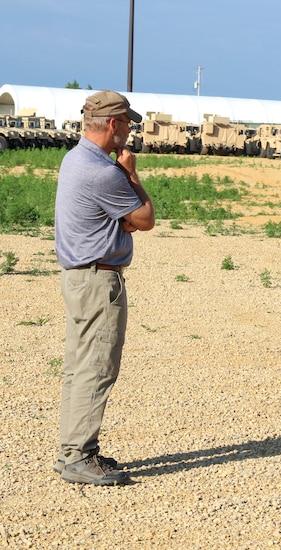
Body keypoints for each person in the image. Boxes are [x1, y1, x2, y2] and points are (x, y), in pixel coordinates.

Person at [53, 90, 155, 485]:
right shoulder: (104, 171)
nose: (129, 132)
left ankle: (72, 452)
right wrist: (131, 174)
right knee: (97, 367)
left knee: (79, 367)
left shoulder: (74, 159)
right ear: (113, 124)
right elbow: (144, 218)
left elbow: (123, 219)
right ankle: (79, 457)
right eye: (127, 124)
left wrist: (121, 219)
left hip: (79, 277)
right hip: (99, 280)